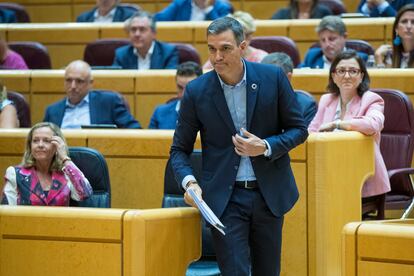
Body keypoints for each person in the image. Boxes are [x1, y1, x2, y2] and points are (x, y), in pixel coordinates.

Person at [170, 17, 308, 276]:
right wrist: (189, 182)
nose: (216, 57)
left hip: (269, 194)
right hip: (226, 198)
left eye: (225, 48)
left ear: (243, 46)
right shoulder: (196, 91)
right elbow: (179, 150)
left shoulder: (273, 78)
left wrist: (265, 145)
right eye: (211, 49)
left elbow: (299, 130)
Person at [308, 50, 390, 201]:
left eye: (353, 71)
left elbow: (373, 124)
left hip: (361, 178)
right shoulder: (327, 100)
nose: (346, 76)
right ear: (333, 76)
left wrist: (337, 124)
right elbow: (312, 131)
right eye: (341, 71)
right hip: (330, 173)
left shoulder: (371, 99)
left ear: (361, 76)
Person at [1, 122, 93, 205]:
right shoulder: (15, 174)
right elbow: (7, 213)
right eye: (35, 141)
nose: (40, 145)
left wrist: (64, 158)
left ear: (57, 145)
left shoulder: (66, 174)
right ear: (30, 146)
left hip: (61, 223)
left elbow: (85, 193)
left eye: (46, 141)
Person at [43, 60, 141, 129]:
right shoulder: (52, 111)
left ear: (90, 83)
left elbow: (134, 130)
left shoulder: (109, 102)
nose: (73, 86)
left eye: (79, 81)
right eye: (69, 80)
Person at [261, 52, 317, 126]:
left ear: (288, 77)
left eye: (271, 77)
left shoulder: (306, 105)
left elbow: (302, 135)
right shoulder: (252, 101)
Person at [112, 11, 179, 70]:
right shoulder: (121, 54)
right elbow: (115, 81)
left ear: (154, 34)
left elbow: (170, 82)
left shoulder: (168, 53)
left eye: (142, 29)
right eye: (133, 29)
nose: (137, 34)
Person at [203, 11, 268, 69]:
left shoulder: (261, 58)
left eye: (238, 34)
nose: (218, 57)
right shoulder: (218, 57)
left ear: (249, 37)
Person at [148, 61, 202, 129]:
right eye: (180, 88)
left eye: (189, 88)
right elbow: (149, 139)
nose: (183, 94)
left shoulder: (213, 114)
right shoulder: (159, 113)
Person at [300, 15, 368, 68]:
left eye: (331, 39)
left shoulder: (360, 59)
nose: (327, 44)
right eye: (323, 40)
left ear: (344, 37)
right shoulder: (312, 57)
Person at [155, 0, 232, 21]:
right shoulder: (181, 3)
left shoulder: (223, 7)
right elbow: (159, 19)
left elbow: (224, 30)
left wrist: (209, 9)